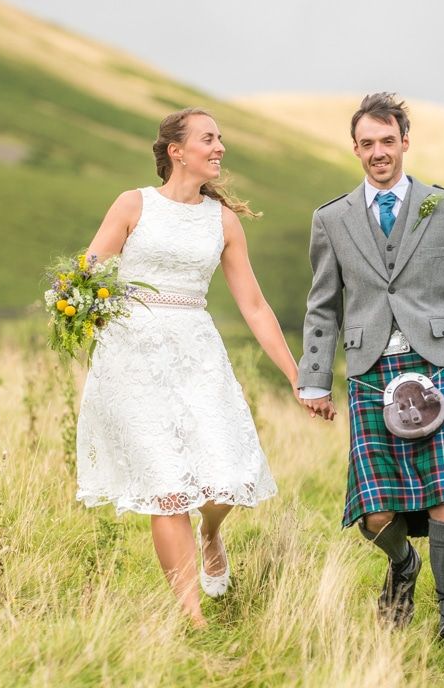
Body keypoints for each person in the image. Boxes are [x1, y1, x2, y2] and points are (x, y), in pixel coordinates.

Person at [76, 107, 301, 628]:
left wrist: (295, 374)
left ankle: (212, 531)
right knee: (167, 487)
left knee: (224, 476)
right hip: (132, 359)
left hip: (197, 354)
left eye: (220, 138)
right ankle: (193, 620)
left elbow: (255, 306)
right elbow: (88, 273)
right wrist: (82, 311)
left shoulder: (222, 221)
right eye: (208, 139)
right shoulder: (133, 204)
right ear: (177, 151)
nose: (219, 147)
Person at [297, 92, 444, 650]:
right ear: (356, 148)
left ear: (405, 142)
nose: (378, 153)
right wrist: (314, 378)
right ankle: (404, 562)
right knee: (374, 506)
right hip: (368, 368)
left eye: (387, 141)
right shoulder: (332, 219)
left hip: (435, 361)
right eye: (367, 144)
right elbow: (323, 306)